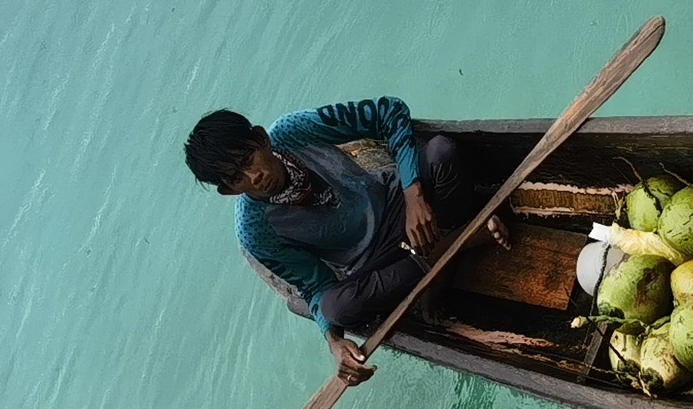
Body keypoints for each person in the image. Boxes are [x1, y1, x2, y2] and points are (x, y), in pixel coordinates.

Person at [183, 98, 512, 386]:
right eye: (236, 178)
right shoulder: (255, 229)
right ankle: (460, 242)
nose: (253, 177)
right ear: (228, 190)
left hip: (394, 200)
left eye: (247, 161)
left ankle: (436, 266)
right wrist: (333, 342)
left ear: (261, 139)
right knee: (338, 308)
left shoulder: (294, 130)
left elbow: (389, 110)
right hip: (372, 260)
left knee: (443, 152)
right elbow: (315, 286)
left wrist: (413, 193)